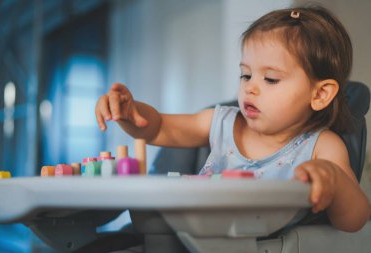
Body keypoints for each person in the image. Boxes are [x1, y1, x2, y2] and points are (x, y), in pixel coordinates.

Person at [95, 5, 370, 232]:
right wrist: (130, 113)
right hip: (187, 235)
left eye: (271, 79)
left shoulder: (322, 146)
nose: (250, 87)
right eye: (246, 74)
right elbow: (160, 128)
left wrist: (333, 180)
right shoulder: (222, 122)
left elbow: (355, 220)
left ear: (320, 94)